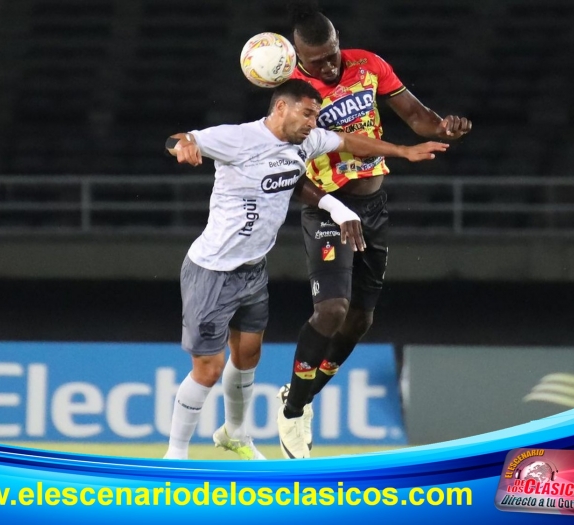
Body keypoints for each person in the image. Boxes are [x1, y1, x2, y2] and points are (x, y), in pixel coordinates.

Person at [163, 79, 447, 460]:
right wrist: (183, 146)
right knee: (208, 369)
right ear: (281, 108)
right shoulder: (238, 138)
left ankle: (235, 434)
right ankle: (175, 453)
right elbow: (179, 138)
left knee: (247, 359)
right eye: (308, 113)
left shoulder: (306, 142)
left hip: (253, 271)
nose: (314, 122)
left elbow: (349, 142)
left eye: (317, 115)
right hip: (213, 270)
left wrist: (402, 152)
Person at [277, 1, 472, 459]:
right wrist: (326, 203)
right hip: (329, 208)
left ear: (338, 41)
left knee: (360, 321)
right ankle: (292, 415)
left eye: (331, 54)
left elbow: (418, 117)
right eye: (316, 61)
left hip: (373, 207)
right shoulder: (294, 94)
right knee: (332, 310)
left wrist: (445, 128)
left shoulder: (368, 65)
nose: (328, 66)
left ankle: (299, 395)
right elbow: (286, 166)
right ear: (299, 57)